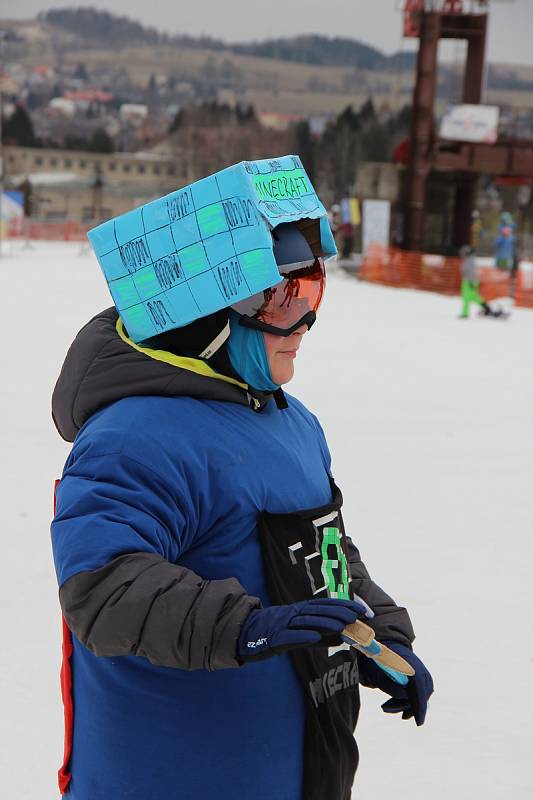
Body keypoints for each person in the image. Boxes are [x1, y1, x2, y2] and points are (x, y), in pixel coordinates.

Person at [51, 167, 433, 800]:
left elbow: (321, 553)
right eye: (285, 301)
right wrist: (244, 626)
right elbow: (104, 586)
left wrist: (382, 635)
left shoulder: (292, 423)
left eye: (313, 295)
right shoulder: (133, 437)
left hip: (296, 773)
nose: (305, 324)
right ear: (204, 317)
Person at [459, 244, 500, 319]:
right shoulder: (468, 260)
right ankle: (487, 308)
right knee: (474, 297)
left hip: (470, 282)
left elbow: (471, 272)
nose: (462, 255)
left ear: (467, 253)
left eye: (464, 253)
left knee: (466, 298)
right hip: (468, 281)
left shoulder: (470, 261)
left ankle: (465, 314)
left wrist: (471, 282)